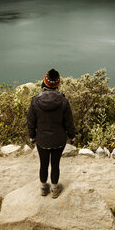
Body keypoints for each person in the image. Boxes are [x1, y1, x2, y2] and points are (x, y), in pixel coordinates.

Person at [27, 68, 75, 198]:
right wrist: (72, 136)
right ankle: (54, 189)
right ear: (58, 83)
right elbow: (69, 122)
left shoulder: (35, 100)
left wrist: (32, 137)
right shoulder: (63, 101)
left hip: (42, 139)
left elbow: (31, 121)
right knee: (55, 164)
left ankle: (43, 188)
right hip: (59, 140)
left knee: (43, 163)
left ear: (45, 83)